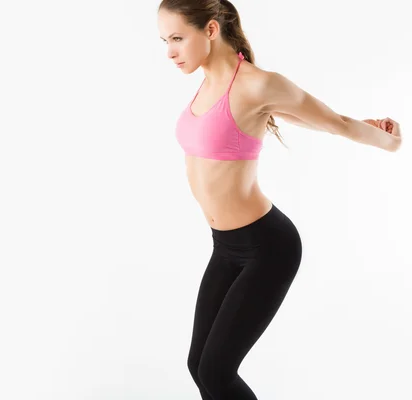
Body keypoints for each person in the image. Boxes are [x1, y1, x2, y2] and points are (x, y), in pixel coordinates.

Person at [156, 1, 402, 399]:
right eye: (165, 41)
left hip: (267, 248)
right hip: (225, 247)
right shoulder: (206, 84)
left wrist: (387, 140)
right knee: (199, 364)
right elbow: (298, 119)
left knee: (217, 371)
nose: (169, 51)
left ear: (212, 30)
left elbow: (333, 123)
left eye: (178, 38)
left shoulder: (257, 84)